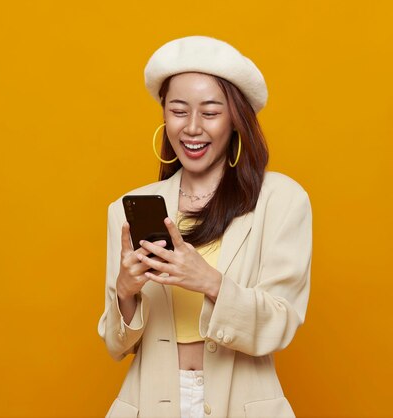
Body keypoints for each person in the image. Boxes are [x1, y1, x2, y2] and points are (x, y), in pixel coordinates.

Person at [97, 35, 312, 418]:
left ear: (235, 120)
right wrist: (126, 294)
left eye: (210, 112)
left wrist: (208, 280)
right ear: (164, 116)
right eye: (179, 111)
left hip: (242, 403)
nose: (192, 128)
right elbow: (117, 345)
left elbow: (281, 322)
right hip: (148, 403)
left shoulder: (280, 199)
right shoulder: (125, 209)